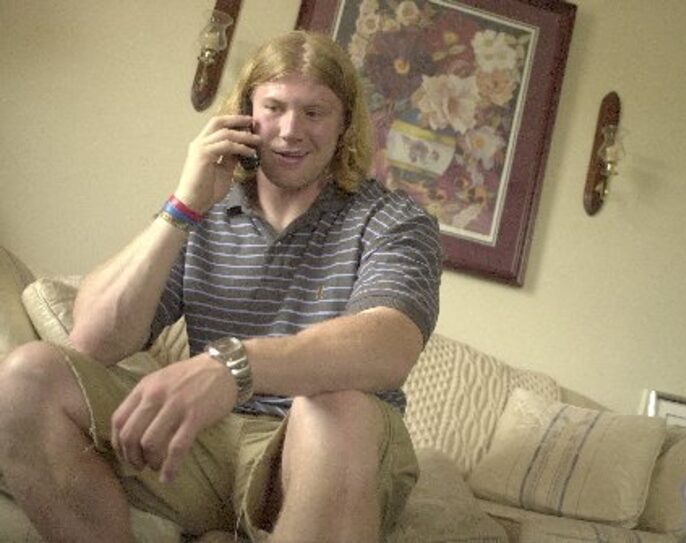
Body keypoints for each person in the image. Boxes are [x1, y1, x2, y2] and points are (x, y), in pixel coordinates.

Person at [0, 30, 442, 542]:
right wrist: (184, 205)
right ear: (244, 115)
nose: (291, 130)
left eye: (315, 112)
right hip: (203, 449)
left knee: (334, 408)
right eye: (274, 107)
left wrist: (233, 366)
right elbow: (93, 340)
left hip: (329, 450)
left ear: (345, 124)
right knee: (26, 377)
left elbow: (389, 346)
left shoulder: (393, 219)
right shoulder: (204, 215)